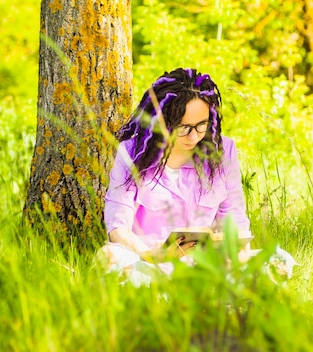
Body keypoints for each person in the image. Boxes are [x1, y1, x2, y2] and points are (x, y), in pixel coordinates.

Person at [100, 68, 251, 281]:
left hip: (205, 263)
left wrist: (236, 253)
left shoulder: (223, 152)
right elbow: (117, 228)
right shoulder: (132, 153)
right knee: (108, 257)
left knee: (277, 260)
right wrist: (151, 255)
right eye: (184, 127)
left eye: (202, 125)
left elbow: (236, 222)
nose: (194, 136)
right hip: (148, 261)